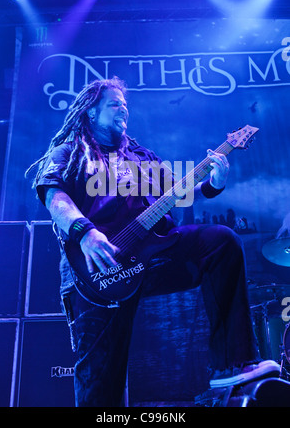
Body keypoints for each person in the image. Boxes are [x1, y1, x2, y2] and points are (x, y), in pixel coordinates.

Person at [26, 77, 279, 407]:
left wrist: (214, 184)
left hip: (150, 258)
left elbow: (181, 194)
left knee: (221, 242)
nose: (123, 109)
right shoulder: (71, 152)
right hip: (94, 273)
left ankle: (232, 362)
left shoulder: (141, 156)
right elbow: (54, 195)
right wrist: (85, 232)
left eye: (125, 105)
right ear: (90, 112)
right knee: (101, 388)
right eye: (114, 104)